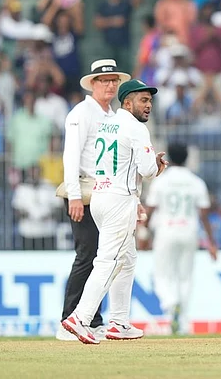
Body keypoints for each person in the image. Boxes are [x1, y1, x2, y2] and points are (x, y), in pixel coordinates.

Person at [62, 79, 167, 344]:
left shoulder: (107, 123)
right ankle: (80, 318)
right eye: (143, 100)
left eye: (150, 101)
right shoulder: (135, 128)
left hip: (101, 197)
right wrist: (157, 166)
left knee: (127, 259)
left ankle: (119, 322)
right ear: (127, 102)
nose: (148, 106)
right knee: (108, 261)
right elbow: (147, 170)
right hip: (119, 200)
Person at [55, 59, 132, 341]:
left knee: (103, 258)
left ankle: (92, 319)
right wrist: (74, 195)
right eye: (104, 80)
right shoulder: (82, 112)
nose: (110, 85)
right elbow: (71, 155)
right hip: (84, 191)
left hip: (106, 193)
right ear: (93, 84)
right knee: (87, 255)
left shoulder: (113, 116)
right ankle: (69, 318)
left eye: (114, 80)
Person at [142, 143, 218, 335]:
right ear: (186, 158)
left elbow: (150, 210)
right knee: (185, 277)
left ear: (171, 158)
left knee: (162, 274)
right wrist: (211, 243)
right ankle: (181, 323)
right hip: (189, 231)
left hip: (166, 231)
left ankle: (170, 304)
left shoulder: (161, 181)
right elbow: (204, 215)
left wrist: (143, 234)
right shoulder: (196, 182)